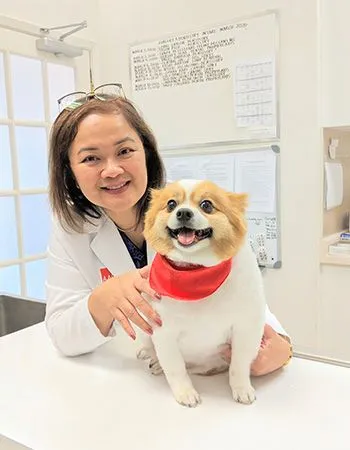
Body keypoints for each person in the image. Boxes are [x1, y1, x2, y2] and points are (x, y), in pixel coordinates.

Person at [45, 94, 292, 376]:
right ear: (69, 172)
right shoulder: (70, 229)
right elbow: (61, 334)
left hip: (211, 374)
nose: (112, 170)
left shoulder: (189, 210)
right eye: (91, 158)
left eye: (125, 151)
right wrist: (102, 301)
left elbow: (244, 291)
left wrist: (282, 344)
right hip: (128, 377)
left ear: (147, 153)